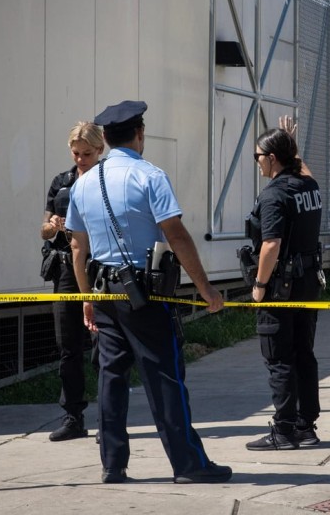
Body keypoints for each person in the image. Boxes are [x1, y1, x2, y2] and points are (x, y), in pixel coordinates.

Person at [66, 99, 232, 485]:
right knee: (164, 377)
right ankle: (188, 464)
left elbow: (78, 247)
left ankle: (112, 464)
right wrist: (206, 289)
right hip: (144, 295)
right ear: (140, 134)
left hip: (105, 294)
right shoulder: (150, 176)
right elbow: (175, 233)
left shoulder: (84, 182)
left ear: (104, 139)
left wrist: (86, 296)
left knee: (111, 378)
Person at [244, 115, 324, 451]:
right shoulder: (309, 186)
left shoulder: (274, 195)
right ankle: (305, 427)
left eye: (258, 156)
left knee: (279, 359)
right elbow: (304, 172)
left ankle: (284, 431)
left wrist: (260, 285)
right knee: (304, 354)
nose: (257, 162)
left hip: (281, 287)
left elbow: (271, 244)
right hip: (308, 284)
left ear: (272, 159)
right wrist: (292, 148)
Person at [41, 121, 104, 442]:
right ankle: (73, 417)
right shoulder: (61, 183)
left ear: (100, 150)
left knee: (103, 347)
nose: (81, 159)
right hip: (66, 269)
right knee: (68, 347)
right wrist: (52, 227)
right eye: (77, 153)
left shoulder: (107, 181)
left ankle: (108, 416)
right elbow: (43, 229)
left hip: (101, 268)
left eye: (87, 154)